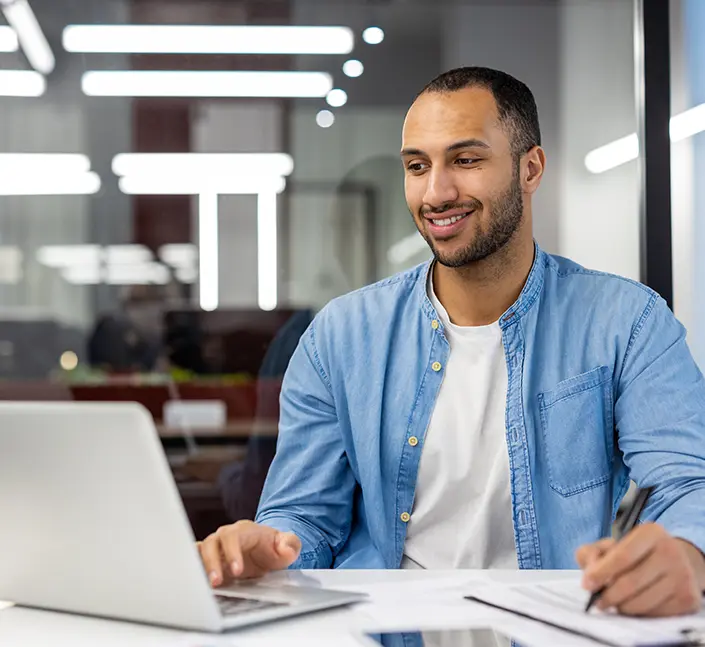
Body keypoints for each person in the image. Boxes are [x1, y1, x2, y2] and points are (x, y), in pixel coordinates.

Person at [198, 67, 705, 617]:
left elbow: (686, 483)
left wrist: (687, 553)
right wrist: (266, 551)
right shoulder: (340, 338)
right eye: (418, 166)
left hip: (562, 630)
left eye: (466, 160)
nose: (436, 192)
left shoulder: (627, 322)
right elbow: (304, 519)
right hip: (391, 633)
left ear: (529, 168)